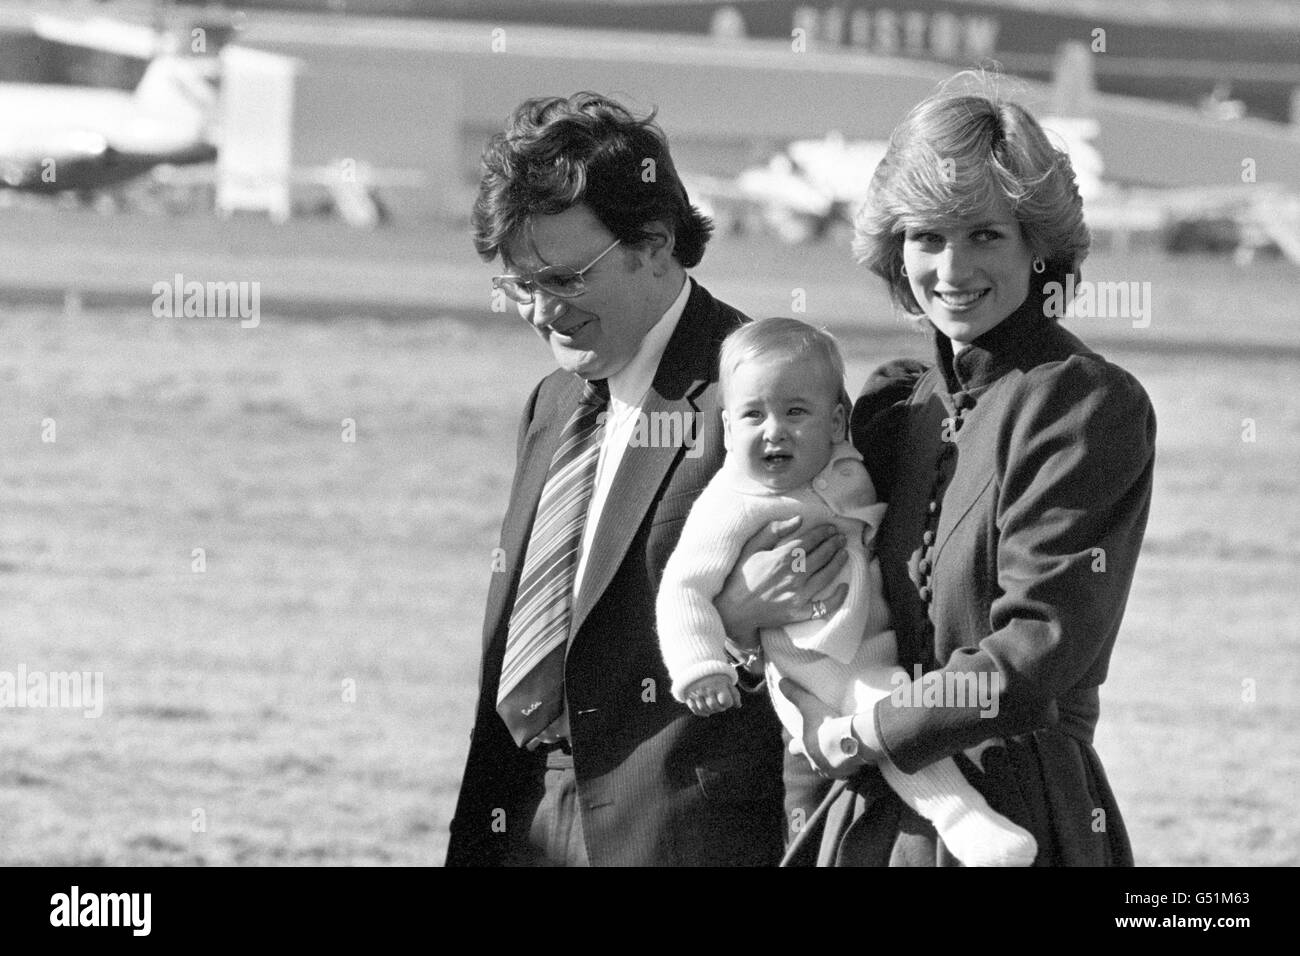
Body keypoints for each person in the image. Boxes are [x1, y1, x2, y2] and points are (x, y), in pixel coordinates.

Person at [714, 83, 1157, 866]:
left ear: (1038, 247)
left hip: (1016, 812)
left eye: (985, 234)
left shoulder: (1081, 403)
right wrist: (744, 621)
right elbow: (816, 583)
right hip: (858, 809)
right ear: (896, 248)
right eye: (926, 237)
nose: (952, 268)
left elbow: (1036, 647)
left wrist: (870, 731)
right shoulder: (891, 404)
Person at [445, 93, 805, 866]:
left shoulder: (763, 393)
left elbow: (827, 616)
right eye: (518, 286)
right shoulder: (553, 401)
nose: (542, 312)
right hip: (521, 819)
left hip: (678, 834)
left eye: (565, 278)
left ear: (655, 242)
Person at [657, 317, 1038, 866]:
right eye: (752, 415)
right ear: (726, 424)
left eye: (795, 412)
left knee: (884, 708)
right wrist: (701, 667)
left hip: (867, 635)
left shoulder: (848, 462)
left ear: (837, 421)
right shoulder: (731, 503)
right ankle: (968, 825)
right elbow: (682, 590)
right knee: (886, 709)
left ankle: (847, 757)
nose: (773, 431)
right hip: (808, 661)